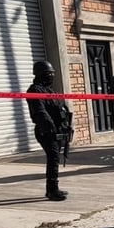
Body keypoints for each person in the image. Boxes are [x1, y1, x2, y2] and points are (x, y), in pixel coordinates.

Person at [26, 60, 72, 201]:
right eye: (48, 74)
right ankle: (52, 190)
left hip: (57, 129)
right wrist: (51, 128)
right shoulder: (34, 90)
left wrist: (66, 125)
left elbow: (60, 107)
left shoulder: (49, 90)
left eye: (53, 74)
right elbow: (40, 112)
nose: (51, 76)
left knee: (55, 158)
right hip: (46, 131)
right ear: (41, 74)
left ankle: (53, 188)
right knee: (53, 158)